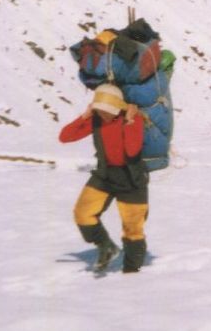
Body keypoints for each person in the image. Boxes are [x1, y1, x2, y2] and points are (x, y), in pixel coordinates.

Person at [60, 83, 150, 272]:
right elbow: (65, 137)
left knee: (133, 229)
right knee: (82, 213)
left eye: (107, 111)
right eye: (100, 110)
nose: (104, 114)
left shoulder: (134, 119)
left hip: (132, 180)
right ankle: (106, 247)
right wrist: (85, 116)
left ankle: (132, 273)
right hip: (105, 175)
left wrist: (131, 122)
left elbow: (132, 151)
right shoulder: (96, 119)